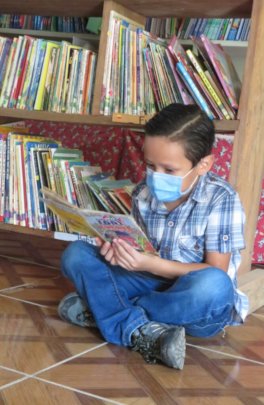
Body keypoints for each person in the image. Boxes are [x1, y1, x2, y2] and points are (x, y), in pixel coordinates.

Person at [58, 103, 249, 370]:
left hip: (189, 300)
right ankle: (135, 327)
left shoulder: (221, 199)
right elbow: (141, 249)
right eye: (150, 165)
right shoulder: (143, 194)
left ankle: (109, 309)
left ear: (203, 164)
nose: (156, 177)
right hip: (148, 281)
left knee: (215, 286)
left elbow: (216, 271)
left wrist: (146, 263)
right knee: (76, 253)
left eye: (169, 170)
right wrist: (117, 252)